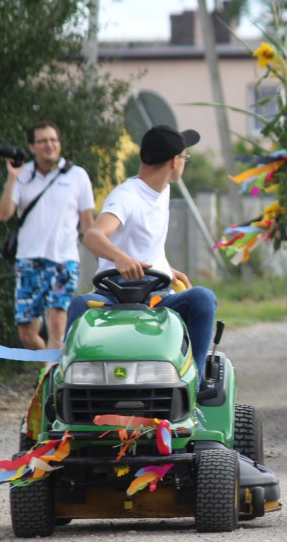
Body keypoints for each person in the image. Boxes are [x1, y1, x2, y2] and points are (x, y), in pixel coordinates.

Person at [66, 125, 217, 388]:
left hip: (158, 296)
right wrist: (121, 259)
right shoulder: (127, 197)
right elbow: (92, 236)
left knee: (203, 298)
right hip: (112, 297)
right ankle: (66, 383)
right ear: (173, 162)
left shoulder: (163, 190)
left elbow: (146, 242)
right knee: (80, 305)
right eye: (185, 158)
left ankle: (195, 380)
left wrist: (167, 268)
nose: (184, 163)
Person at [0, 120, 95, 352]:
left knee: (57, 323)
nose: (49, 145)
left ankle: (54, 385)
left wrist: (105, 257)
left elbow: (88, 223)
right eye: (42, 141)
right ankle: (49, 373)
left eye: (53, 140)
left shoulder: (77, 175)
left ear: (59, 144)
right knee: (27, 335)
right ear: (32, 147)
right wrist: (12, 177)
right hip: (29, 261)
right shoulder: (23, 175)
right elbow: (3, 214)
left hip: (64, 260)